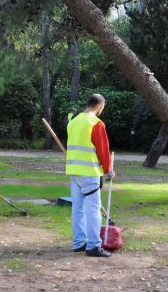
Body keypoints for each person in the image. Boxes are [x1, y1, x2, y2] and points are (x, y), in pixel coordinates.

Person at [66, 94, 114, 257]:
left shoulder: (73, 122)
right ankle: (94, 245)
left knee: (77, 209)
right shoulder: (96, 123)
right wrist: (108, 170)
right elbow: (103, 150)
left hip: (74, 172)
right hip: (89, 173)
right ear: (100, 106)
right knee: (93, 210)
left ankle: (79, 243)